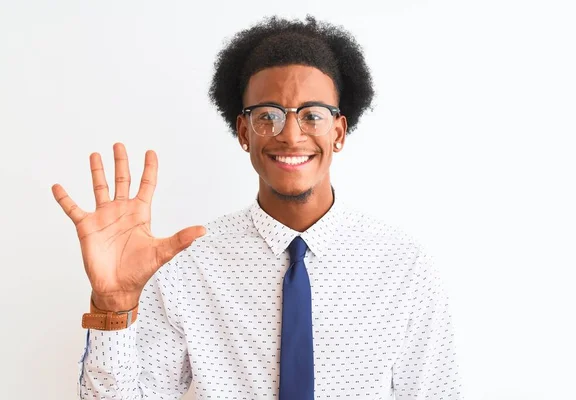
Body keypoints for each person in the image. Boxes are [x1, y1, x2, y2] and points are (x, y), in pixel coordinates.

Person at [52, 15, 463, 400]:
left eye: (312, 116)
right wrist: (114, 305)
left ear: (339, 131)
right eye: (268, 115)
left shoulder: (405, 268)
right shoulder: (186, 267)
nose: (289, 134)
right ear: (243, 131)